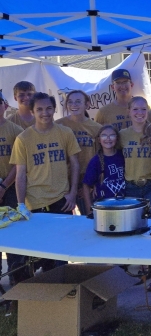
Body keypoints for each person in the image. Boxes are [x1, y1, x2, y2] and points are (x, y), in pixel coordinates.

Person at [10, 92, 80, 272]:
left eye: (49, 108)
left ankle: (63, 292)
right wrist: (20, 204)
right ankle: (45, 294)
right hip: (35, 203)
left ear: (54, 109)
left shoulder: (65, 132)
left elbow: (75, 164)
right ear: (32, 112)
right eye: (39, 109)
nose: (45, 113)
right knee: (40, 254)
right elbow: (20, 174)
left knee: (62, 251)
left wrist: (72, 194)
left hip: (61, 201)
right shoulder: (23, 139)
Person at [55, 90, 102, 215]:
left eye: (78, 101)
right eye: (70, 102)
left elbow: (101, 158)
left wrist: (93, 183)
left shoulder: (96, 128)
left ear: (87, 105)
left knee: (89, 217)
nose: (73, 105)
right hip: (63, 180)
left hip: (86, 180)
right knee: (65, 221)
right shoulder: (58, 125)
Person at [120, 96, 151, 219]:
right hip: (130, 187)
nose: (140, 113)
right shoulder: (122, 135)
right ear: (128, 111)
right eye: (135, 109)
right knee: (132, 224)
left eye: (143, 109)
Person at [0, 92, 23, 284]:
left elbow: (19, 165)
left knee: (14, 236)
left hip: (10, 190)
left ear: (5, 106)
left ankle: (17, 282)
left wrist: (3, 185)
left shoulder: (15, 131)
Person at [82, 125, 125, 214]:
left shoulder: (123, 156)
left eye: (112, 135)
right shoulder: (95, 161)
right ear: (99, 140)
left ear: (117, 138)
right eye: (104, 135)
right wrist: (89, 209)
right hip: (104, 207)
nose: (108, 139)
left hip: (124, 205)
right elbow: (86, 185)